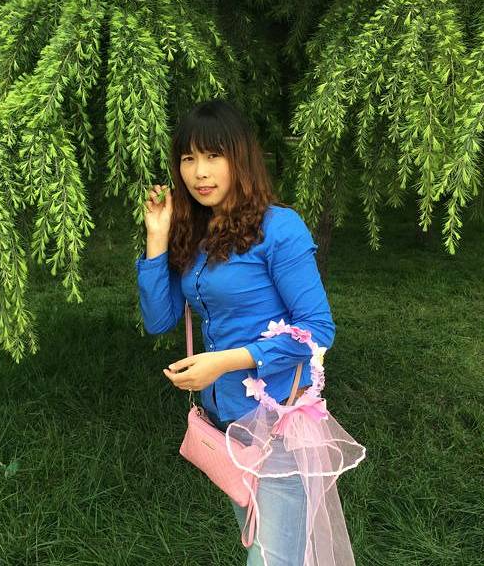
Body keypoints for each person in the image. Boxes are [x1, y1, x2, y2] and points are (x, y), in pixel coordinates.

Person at [135, 99, 363, 566]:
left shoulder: (279, 229)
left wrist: (225, 361)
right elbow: (159, 320)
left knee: (274, 558)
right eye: (188, 158)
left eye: (213, 155)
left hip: (277, 422)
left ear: (240, 158)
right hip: (227, 424)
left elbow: (318, 329)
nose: (200, 172)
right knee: (258, 539)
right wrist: (157, 238)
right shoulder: (197, 233)